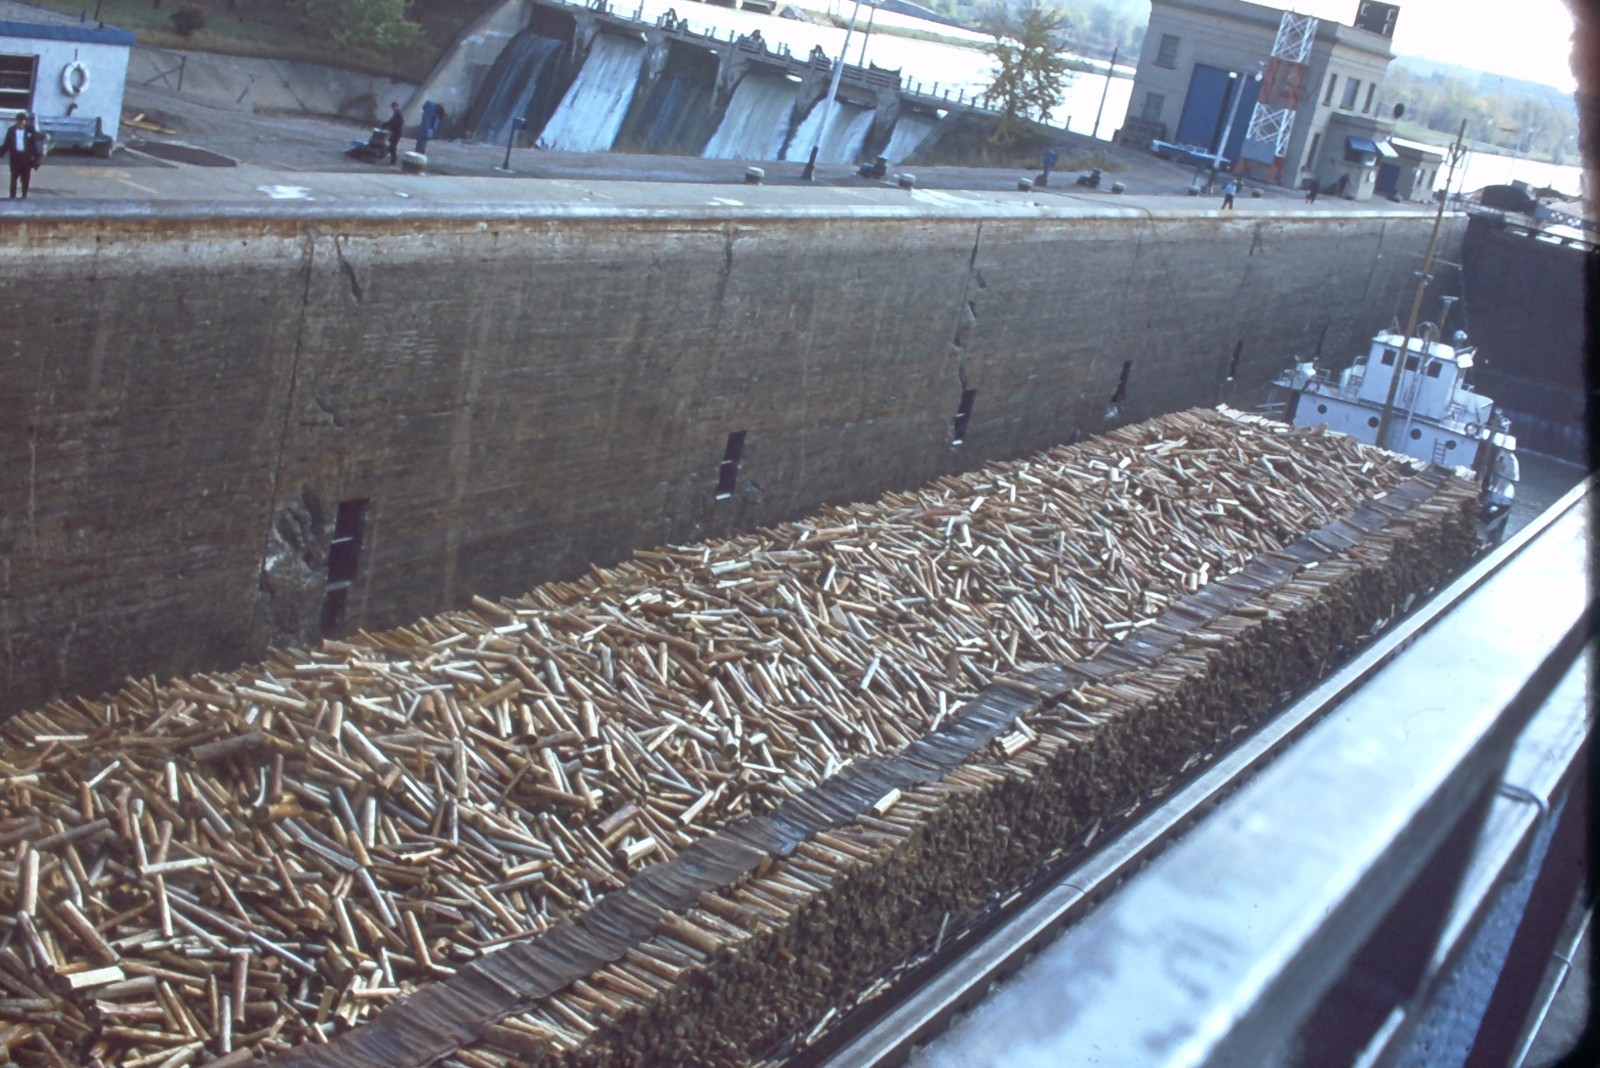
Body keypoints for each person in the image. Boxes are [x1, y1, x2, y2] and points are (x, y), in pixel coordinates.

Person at [1, 111, 40, 199]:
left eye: (23, 121)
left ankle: (24, 196)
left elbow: (34, 144)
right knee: (13, 179)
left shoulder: (30, 130)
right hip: (15, 158)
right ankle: (12, 196)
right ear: (17, 121)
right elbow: (7, 144)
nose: (21, 123)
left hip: (26, 159)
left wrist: (37, 157)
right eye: (20, 121)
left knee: (25, 179)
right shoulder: (11, 130)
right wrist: (1, 152)